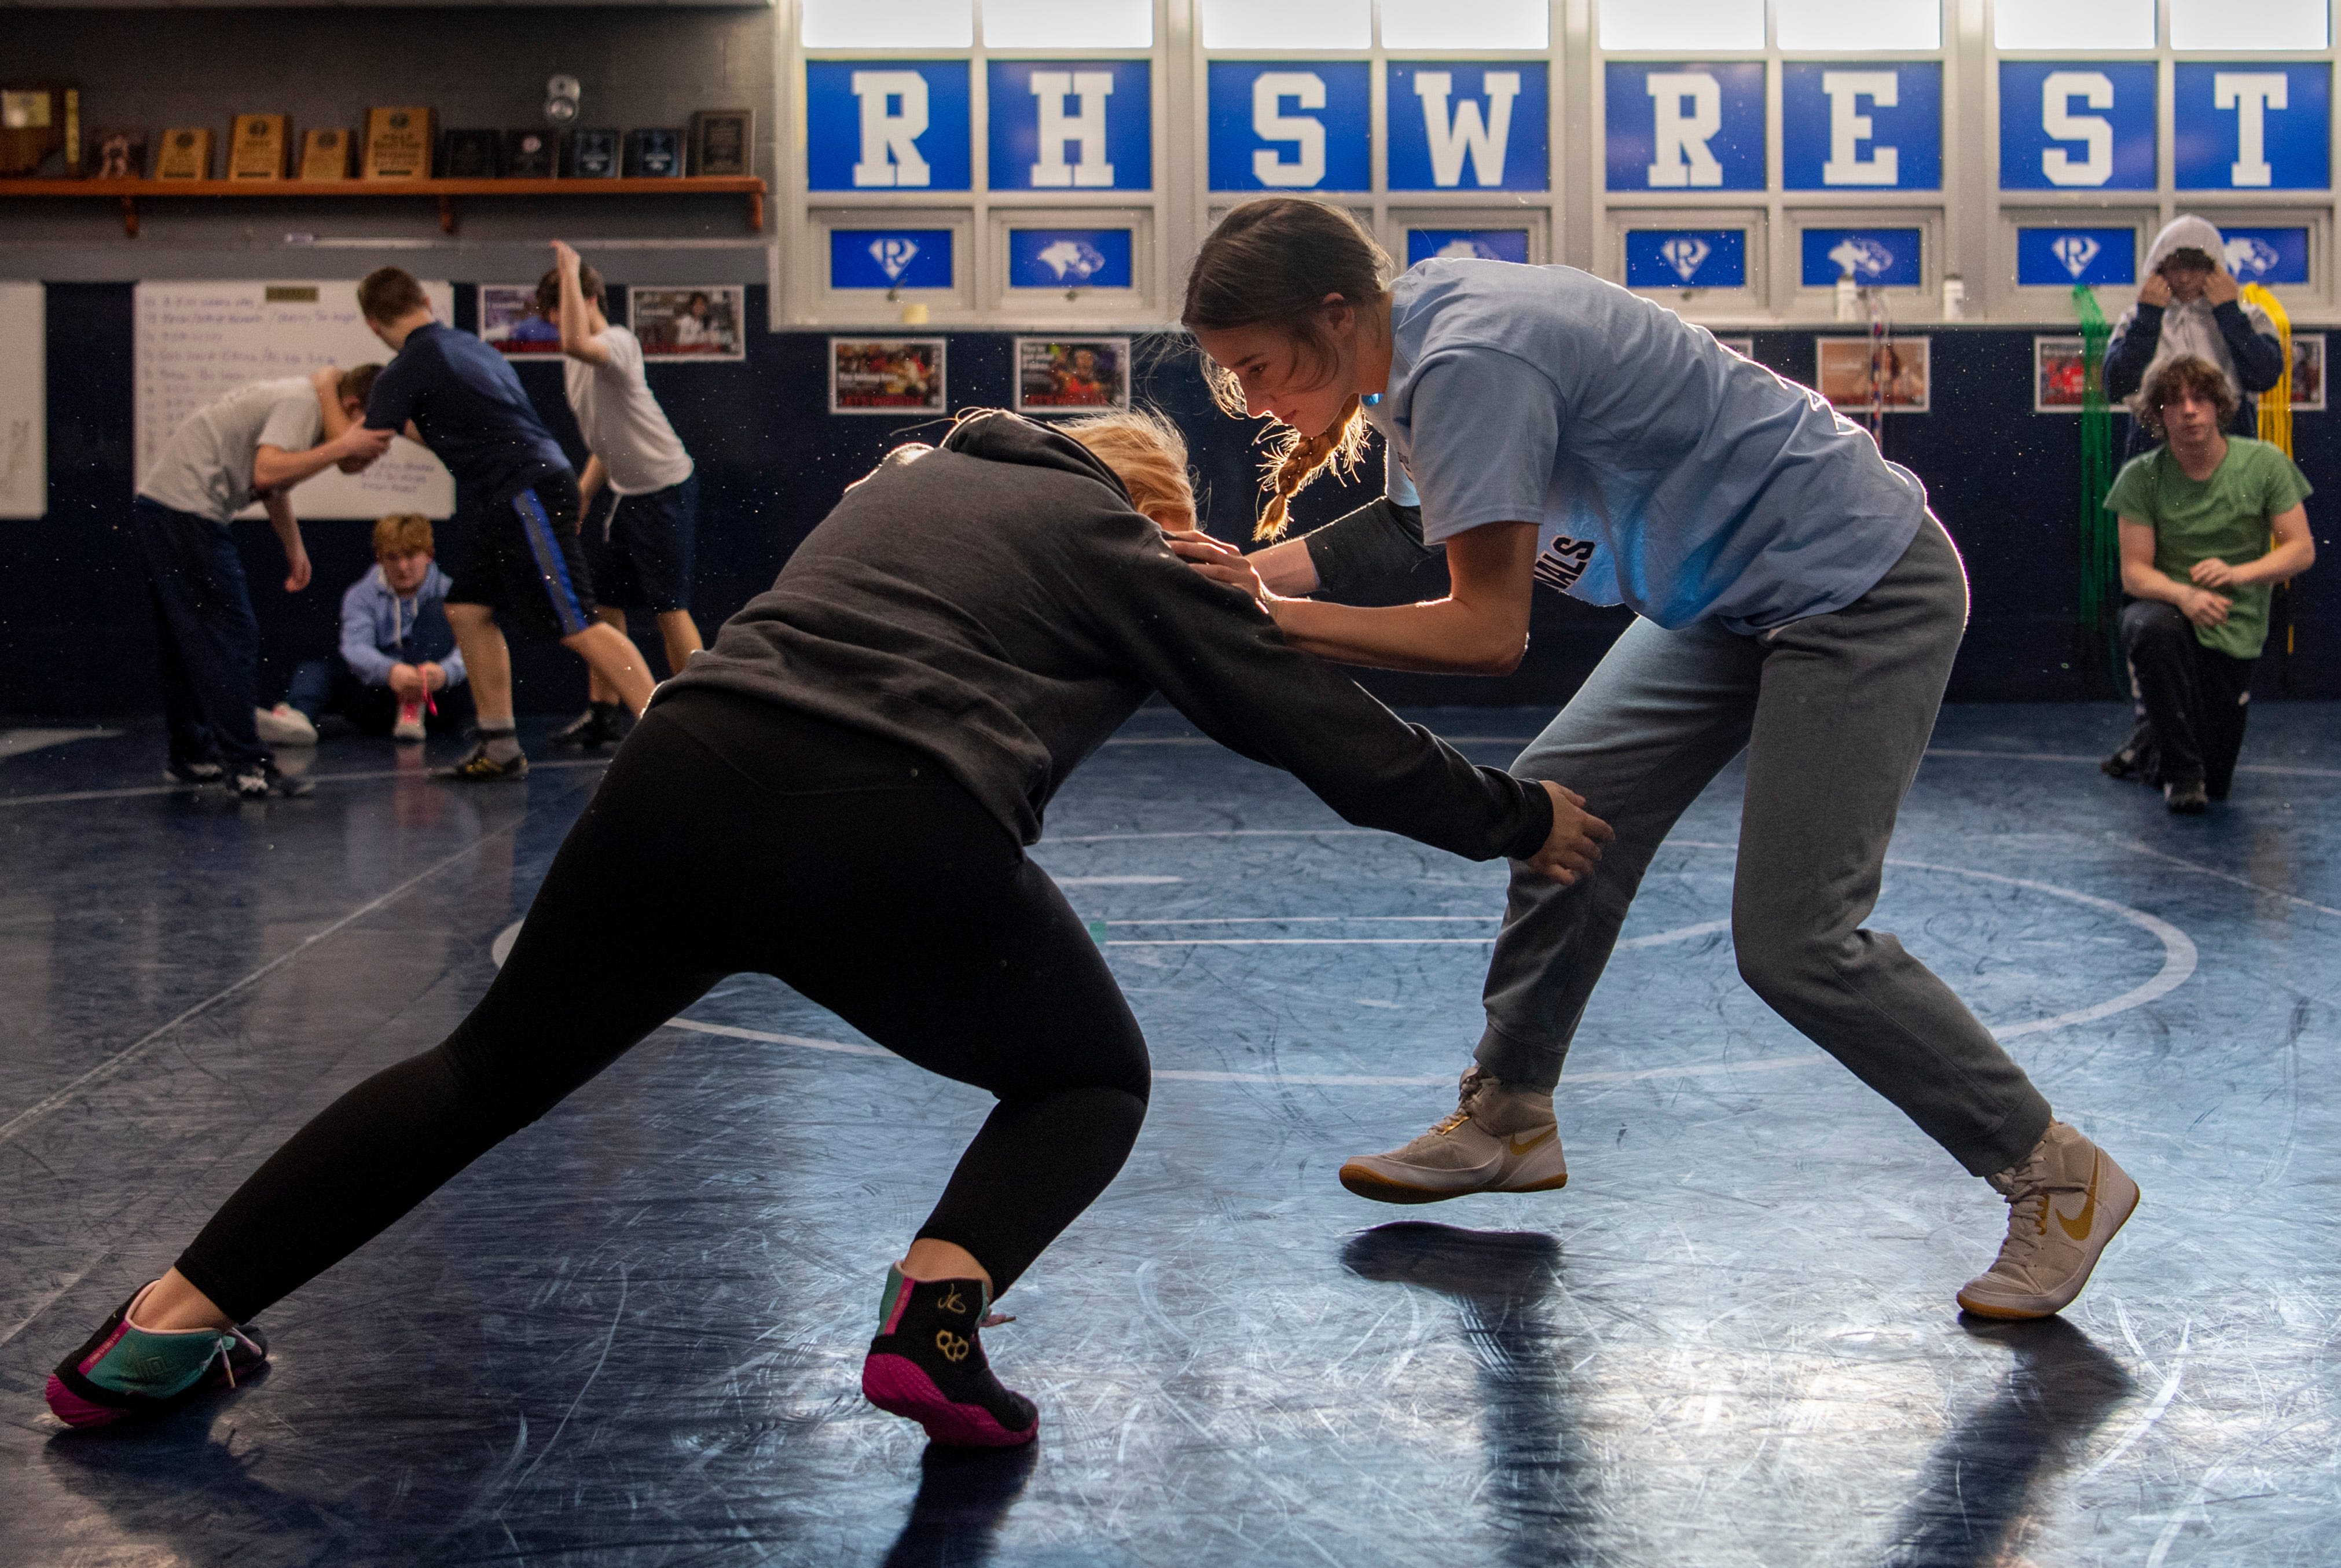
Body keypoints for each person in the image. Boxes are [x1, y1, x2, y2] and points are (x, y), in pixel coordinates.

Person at [42, 409, 1607, 1448]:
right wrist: (1517, 817)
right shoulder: (1119, 550)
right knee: (1086, 1080)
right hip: (889, 821)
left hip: (681, 772)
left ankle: (155, 1332)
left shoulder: (919, 482)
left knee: (478, 1073)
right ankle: (933, 1319)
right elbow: (1317, 732)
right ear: (1151, 514)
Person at [1173, 196, 2137, 1322]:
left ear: (1335, 315)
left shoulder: (1469, 356)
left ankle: (2056, 1172)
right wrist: (1249, 574)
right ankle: (1510, 1113)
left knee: (1797, 941)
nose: (1257, 403)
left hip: (1856, 584)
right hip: (1727, 598)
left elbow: (1486, 631)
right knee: (1558, 803)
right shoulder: (1412, 336)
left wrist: (1259, 622)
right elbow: (1405, 524)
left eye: (1257, 368)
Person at [321, 266, 658, 782]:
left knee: (577, 621)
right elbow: (453, 436)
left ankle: (668, 736)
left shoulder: (405, 368)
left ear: (372, 324)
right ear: (426, 301)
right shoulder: (468, 348)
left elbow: (351, 458)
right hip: (519, 490)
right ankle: (499, 744)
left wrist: (326, 391)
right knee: (467, 608)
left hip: (526, 491)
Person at [134, 365, 394, 798]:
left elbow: (274, 483)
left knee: (187, 644)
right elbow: (268, 472)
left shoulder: (307, 404)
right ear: (352, 410)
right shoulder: (302, 403)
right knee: (232, 636)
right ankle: (247, 764)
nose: (376, 453)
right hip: (183, 511)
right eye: (375, 440)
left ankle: (191, 753)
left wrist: (293, 545)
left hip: (165, 508)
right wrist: (342, 448)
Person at [2101, 356, 2314, 812]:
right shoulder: (2140, 476)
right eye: (2174, 403)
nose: (2190, 411)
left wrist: (2238, 574)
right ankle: (2179, 774)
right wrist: (2186, 595)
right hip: (2170, 608)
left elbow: (2301, 549)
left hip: (2235, 616)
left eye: (2199, 399)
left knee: (2218, 781)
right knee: (2152, 628)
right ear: (2158, 416)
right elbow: (2135, 572)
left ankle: (2146, 744)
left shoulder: (2265, 464)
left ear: (2219, 406)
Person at [540, 241, 702, 751]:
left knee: (668, 608)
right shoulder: (574, 361)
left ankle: (700, 713)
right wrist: (584, 496)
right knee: (607, 601)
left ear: (589, 299)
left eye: (562, 307)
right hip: (625, 492)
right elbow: (605, 442)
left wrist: (569, 267)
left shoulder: (618, 342)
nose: (557, 324)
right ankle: (603, 714)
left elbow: (573, 340)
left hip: (663, 489)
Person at [272, 513, 471, 744]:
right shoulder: (361, 594)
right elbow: (355, 648)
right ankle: (299, 718)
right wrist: (391, 671)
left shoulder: (451, 593)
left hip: (435, 698)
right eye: (393, 558)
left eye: (410, 556)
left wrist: (444, 673)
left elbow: (470, 649)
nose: (403, 567)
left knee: (439, 611)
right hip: (383, 693)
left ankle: (413, 705)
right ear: (380, 559)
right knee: (314, 669)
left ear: (429, 555)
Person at [2103, 216, 2284, 458]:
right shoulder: (2136, 318)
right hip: (2156, 444)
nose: (2185, 278)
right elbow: (2116, 384)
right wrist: (2149, 318)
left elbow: (2265, 376)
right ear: (2159, 270)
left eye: (2195, 267)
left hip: (2230, 442)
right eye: (2176, 268)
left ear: (2215, 269)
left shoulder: (2247, 316)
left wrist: (2229, 312)